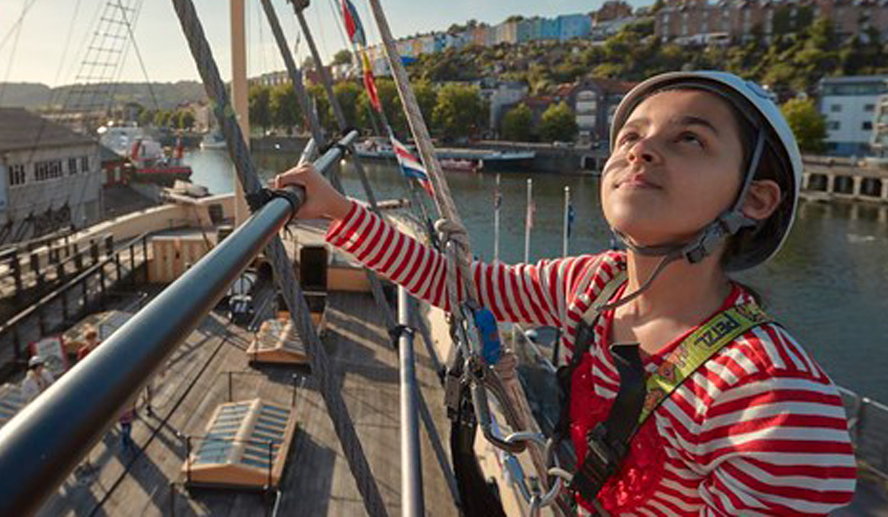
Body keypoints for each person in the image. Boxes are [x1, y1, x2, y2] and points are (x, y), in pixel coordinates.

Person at [276, 71, 857, 515]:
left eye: (689, 140)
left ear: (755, 201)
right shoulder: (595, 284)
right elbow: (459, 285)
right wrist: (336, 210)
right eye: (631, 136)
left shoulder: (773, 400)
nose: (641, 150)